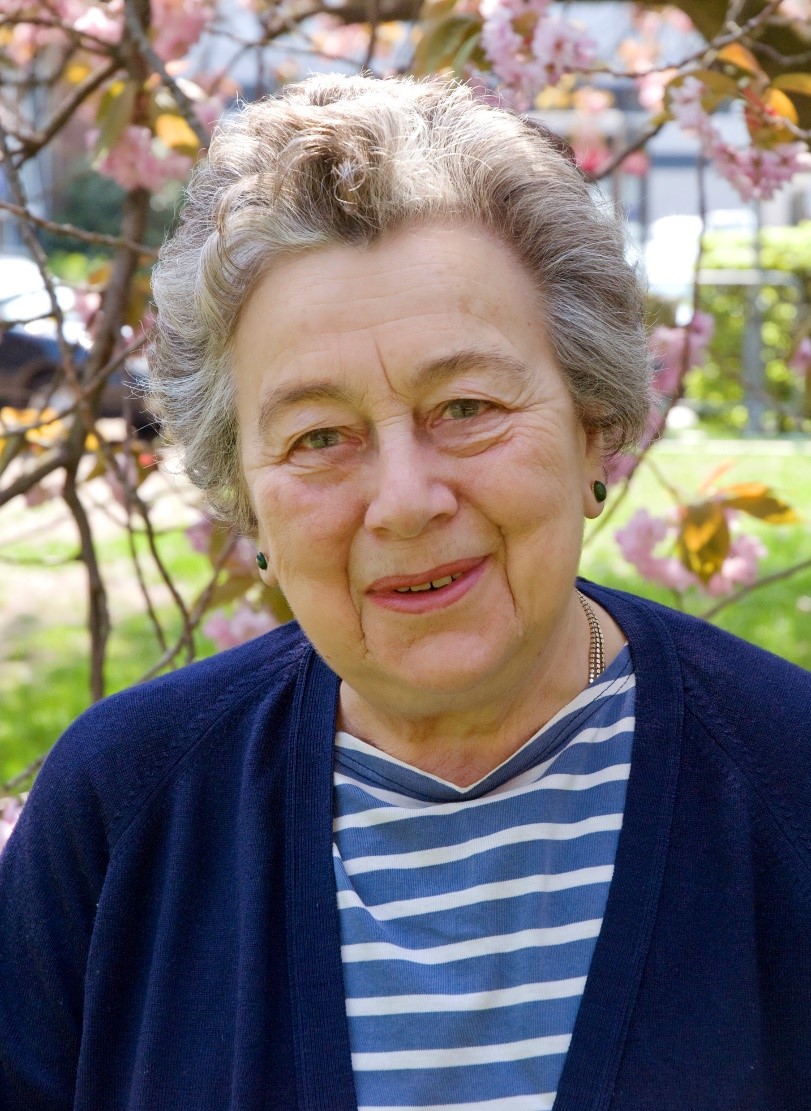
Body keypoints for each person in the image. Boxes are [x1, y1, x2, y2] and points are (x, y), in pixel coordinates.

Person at [1, 74, 809, 1111]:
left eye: (464, 405)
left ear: (595, 419)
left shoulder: (788, 786)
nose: (403, 499)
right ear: (244, 495)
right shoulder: (122, 810)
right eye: (318, 437)